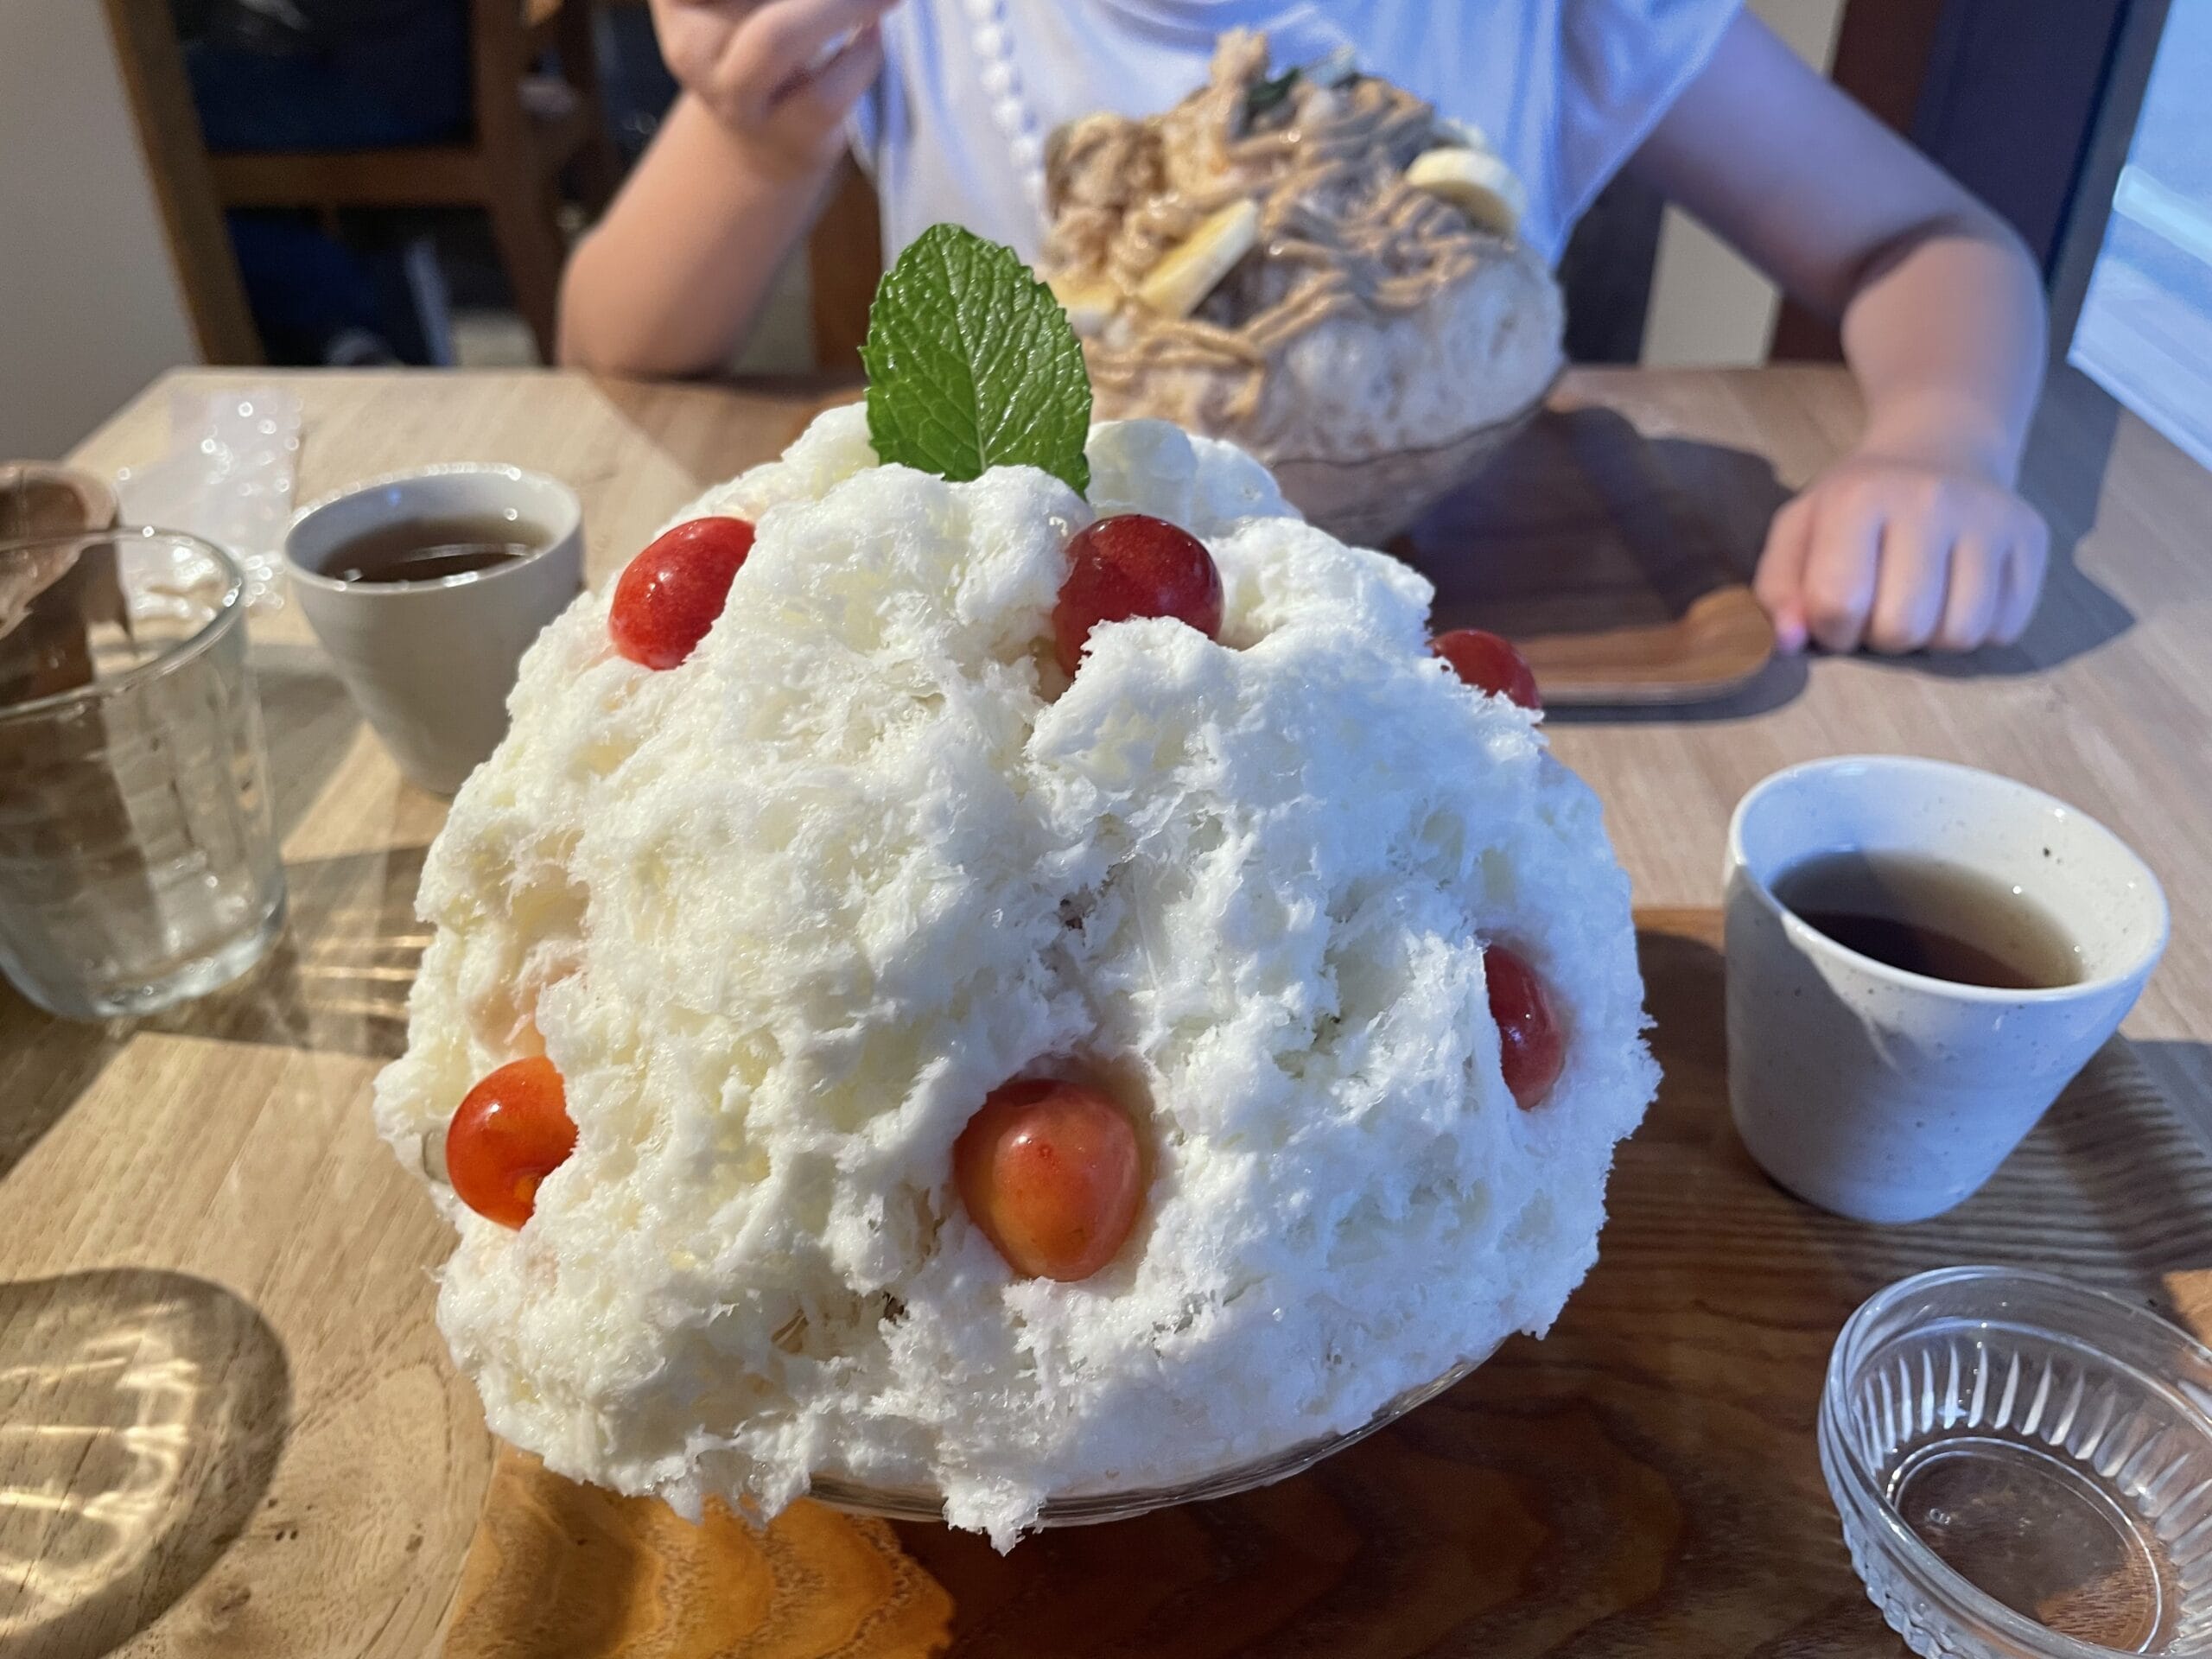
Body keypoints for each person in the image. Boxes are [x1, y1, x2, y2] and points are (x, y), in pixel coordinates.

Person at [560, 0, 2050, 658]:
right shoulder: (901, 25)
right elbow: (616, 338)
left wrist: (1944, 441)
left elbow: (1928, 245)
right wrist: (754, 137)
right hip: (1027, 665)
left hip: (1479, 655)